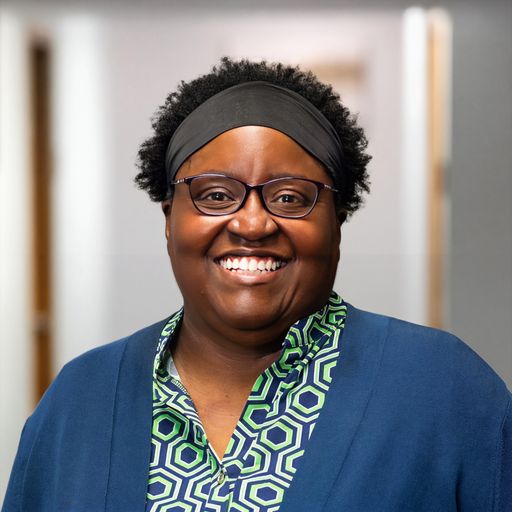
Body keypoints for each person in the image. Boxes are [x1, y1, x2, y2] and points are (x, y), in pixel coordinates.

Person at [2, 57, 511, 512]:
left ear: (337, 222)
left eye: (290, 198)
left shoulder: (445, 390)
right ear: (169, 219)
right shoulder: (79, 399)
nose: (252, 223)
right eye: (215, 195)